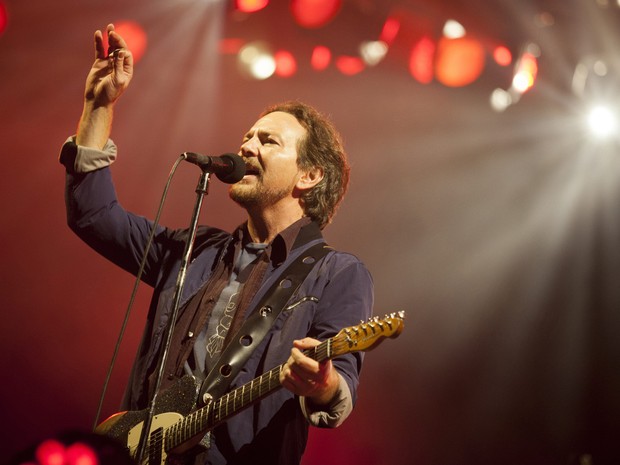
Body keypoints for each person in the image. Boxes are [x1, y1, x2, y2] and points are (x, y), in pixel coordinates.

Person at [59, 24, 374, 464]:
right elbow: (94, 216)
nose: (246, 146)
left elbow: (339, 387)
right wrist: (97, 106)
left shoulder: (337, 273)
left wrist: (323, 385)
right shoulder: (193, 250)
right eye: (248, 136)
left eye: (268, 141)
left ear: (309, 176)